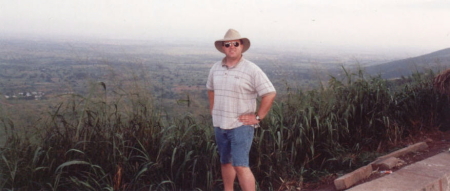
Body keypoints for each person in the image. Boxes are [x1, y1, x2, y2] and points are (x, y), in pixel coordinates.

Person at [206, 29, 276, 191]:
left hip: (241, 125)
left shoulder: (252, 69)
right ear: (223, 47)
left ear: (242, 46)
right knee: (225, 162)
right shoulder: (216, 68)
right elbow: (210, 89)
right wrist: (213, 109)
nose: (232, 47)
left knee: (240, 165)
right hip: (220, 124)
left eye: (235, 44)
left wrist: (258, 117)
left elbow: (269, 93)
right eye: (227, 44)